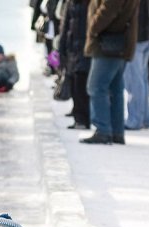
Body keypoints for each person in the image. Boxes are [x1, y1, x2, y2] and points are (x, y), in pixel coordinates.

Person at [79, 0, 140, 145]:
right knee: (115, 88)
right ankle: (116, 131)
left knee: (96, 87)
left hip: (108, 41)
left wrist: (93, 27)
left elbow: (109, 8)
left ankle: (103, 130)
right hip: (117, 40)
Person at [123, 0, 149, 131]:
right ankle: (145, 118)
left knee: (134, 80)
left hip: (137, 36)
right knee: (142, 78)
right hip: (147, 33)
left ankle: (135, 119)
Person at [58, 0, 92, 130]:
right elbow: (65, 25)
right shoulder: (70, 3)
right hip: (72, 47)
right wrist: (61, 50)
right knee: (74, 83)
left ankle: (83, 119)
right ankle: (79, 117)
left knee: (81, 83)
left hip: (85, 48)